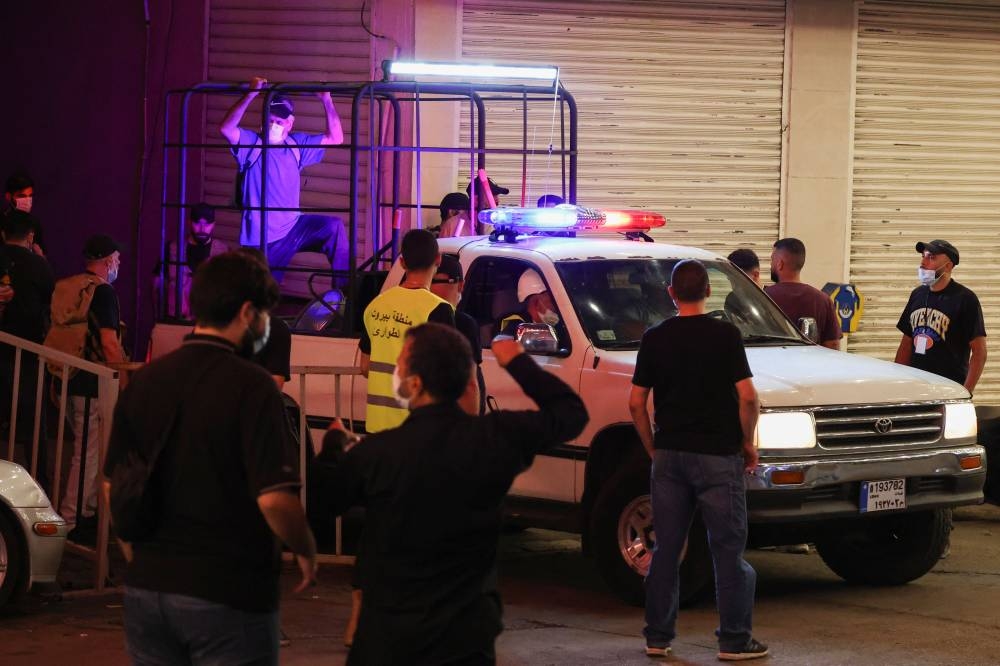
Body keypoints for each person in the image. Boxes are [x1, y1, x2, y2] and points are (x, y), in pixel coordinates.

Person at [314, 323, 588, 665]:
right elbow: (570, 414)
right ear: (467, 381)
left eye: (400, 365)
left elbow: (322, 502)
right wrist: (518, 362)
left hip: (389, 638)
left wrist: (332, 450)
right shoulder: (495, 439)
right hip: (465, 639)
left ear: (414, 384)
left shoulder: (378, 453)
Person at [103, 251, 317, 665]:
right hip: (227, 591)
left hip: (148, 590)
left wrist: (140, 559)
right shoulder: (254, 388)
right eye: (264, 316)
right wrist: (304, 547)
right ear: (246, 312)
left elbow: (114, 486)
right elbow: (274, 499)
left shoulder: (145, 382)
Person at [629, 259, 766, 661]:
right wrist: (748, 442)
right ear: (709, 291)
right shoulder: (725, 334)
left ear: (671, 294)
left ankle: (657, 637)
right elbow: (747, 396)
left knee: (666, 550)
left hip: (670, 456)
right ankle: (735, 641)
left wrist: (653, 447)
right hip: (717, 458)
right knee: (728, 552)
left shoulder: (655, 338)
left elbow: (636, 403)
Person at [220, 76, 348, 282]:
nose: (274, 126)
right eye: (270, 120)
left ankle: (343, 295)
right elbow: (226, 129)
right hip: (263, 239)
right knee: (264, 295)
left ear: (290, 123)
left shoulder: (296, 145)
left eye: (279, 122)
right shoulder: (251, 144)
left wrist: (326, 99)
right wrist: (251, 94)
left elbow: (336, 138)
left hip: (294, 227)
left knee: (333, 227)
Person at [57, 235, 127, 541]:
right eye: (118, 259)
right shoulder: (103, 292)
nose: (119, 265)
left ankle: (81, 515)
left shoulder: (71, 285)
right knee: (88, 454)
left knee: (84, 451)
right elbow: (110, 343)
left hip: (67, 377)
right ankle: (72, 520)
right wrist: (124, 382)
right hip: (94, 384)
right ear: (109, 260)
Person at [359, 229, 454, 434]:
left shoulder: (375, 306)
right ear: (438, 259)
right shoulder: (438, 309)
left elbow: (365, 366)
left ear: (402, 262)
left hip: (377, 427)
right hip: (417, 430)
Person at [0, 211, 55, 488]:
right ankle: (38, 483)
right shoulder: (39, 266)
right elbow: (50, 302)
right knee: (33, 424)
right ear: (30, 235)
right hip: (30, 353)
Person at [895, 239, 986, 394]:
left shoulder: (965, 299)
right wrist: (897, 383)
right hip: (916, 387)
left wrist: (966, 392)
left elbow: (979, 352)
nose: (923, 262)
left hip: (949, 388)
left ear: (948, 266)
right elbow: (906, 343)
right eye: (923, 256)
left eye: (931, 257)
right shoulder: (917, 294)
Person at [430, 253, 485, 414]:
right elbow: (472, 384)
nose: (431, 286)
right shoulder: (463, 323)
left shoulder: (409, 313)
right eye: (431, 280)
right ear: (461, 285)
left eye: (436, 281)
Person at [153, 202, 229, 319]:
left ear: (213, 224)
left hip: (210, 322)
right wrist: (158, 318)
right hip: (175, 321)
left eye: (207, 224)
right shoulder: (172, 248)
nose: (202, 229)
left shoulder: (224, 252)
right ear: (189, 222)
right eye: (197, 223)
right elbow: (156, 285)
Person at [765, 238, 842, 350]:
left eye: (772, 260)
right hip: (811, 366)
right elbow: (833, 346)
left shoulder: (764, 298)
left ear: (780, 264)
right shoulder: (823, 300)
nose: (771, 265)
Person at [500, 268, 561, 335]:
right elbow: (502, 343)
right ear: (536, 302)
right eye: (552, 301)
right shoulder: (516, 325)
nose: (558, 305)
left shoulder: (561, 324)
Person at [2, 172, 44, 255]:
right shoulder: (2, 221)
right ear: (8, 197)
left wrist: (40, 256)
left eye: (30, 196)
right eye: (21, 196)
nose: (27, 200)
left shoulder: (34, 223)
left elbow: (42, 259)